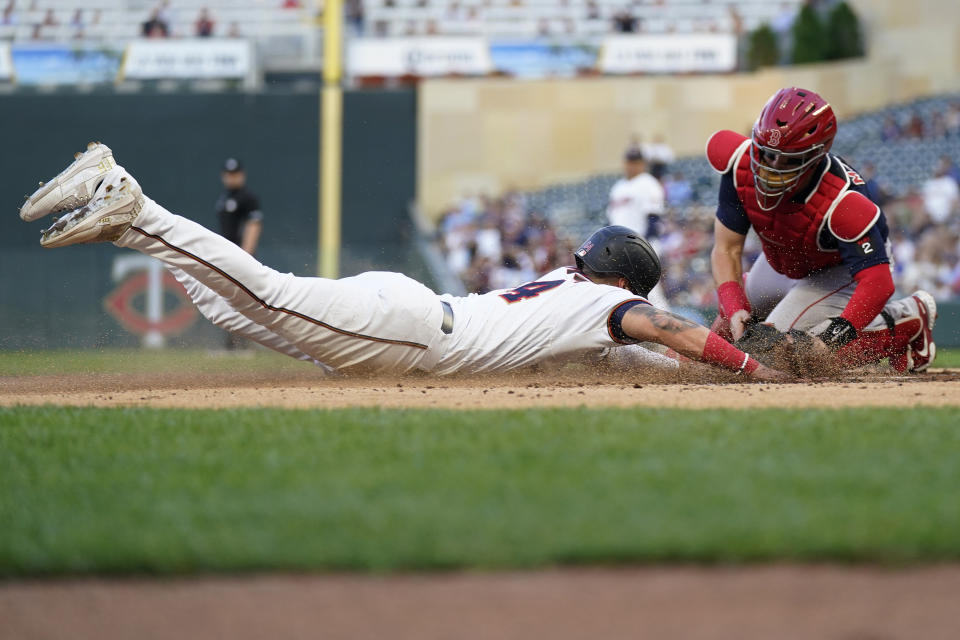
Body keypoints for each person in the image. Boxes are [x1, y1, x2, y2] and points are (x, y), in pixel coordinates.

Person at [19, 142, 790, 382]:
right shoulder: (607, 309)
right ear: (626, 281)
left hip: (410, 312)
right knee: (268, 293)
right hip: (416, 332)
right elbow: (669, 333)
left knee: (237, 310)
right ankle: (133, 205)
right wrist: (754, 370)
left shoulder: (573, 294)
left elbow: (658, 361)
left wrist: (708, 360)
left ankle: (127, 227)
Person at [707, 87, 938, 374]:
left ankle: (906, 321)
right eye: (767, 154)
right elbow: (726, 248)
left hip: (839, 271)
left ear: (816, 157)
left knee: (780, 358)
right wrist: (735, 307)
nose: (772, 168)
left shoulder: (843, 202)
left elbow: (878, 282)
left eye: (789, 160)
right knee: (726, 328)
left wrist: (830, 339)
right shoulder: (738, 163)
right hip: (785, 258)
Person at [606, 144, 670, 309]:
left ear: (643, 164)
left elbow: (654, 220)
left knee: (650, 291)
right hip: (619, 248)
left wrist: (642, 247)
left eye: (636, 161)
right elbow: (610, 220)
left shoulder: (649, 184)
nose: (632, 165)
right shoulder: (618, 187)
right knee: (623, 291)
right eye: (630, 161)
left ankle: (666, 327)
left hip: (640, 245)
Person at [215, 157, 263, 349]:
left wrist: (246, 254)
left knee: (242, 300)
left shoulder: (247, 198)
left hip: (239, 255)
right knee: (229, 300)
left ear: (241, 175)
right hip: (226, 255)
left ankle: (242, 344)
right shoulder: (225, 198)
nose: (232, 178)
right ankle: (232, 344)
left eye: (235, 174)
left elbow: (253, 225)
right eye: (228, 174)